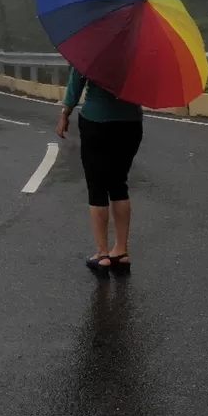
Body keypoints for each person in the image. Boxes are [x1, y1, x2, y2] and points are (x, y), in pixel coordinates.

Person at [56, 66, 143, 273]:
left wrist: (65, 113)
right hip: (131, 122)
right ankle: (121, 251)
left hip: (97, 122)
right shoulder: (139, 48)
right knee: (119, 184)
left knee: (97, 186)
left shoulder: (94, 46)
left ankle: (102, 253)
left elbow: (76, 81)